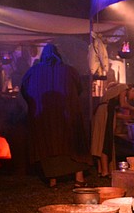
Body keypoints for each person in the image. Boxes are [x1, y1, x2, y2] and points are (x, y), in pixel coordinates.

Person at [20, 43, 90, 187]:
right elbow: (79, 89)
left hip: (45, 117)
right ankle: (79, 178)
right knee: (71, 144)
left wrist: (35, 105)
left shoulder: (34, 71)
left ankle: (53, 179)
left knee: (49, 145)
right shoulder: (69, 70)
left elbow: (25, 91)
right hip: (67, 115)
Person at [90, 83, 134, 176]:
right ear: (133, 90)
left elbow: (115, 114)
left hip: (103, 113)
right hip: (104, 114)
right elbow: (123, 104)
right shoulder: (124, 87)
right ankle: (105, 171)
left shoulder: (113, 95)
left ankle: (101, 170)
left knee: (101, 140)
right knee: (105, 141)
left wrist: (130, 117)